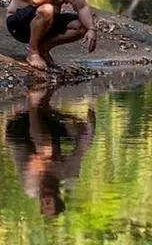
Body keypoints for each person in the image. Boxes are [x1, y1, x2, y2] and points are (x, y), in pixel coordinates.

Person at [5, 87, 96, 217]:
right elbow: (82, 146)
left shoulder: (31, 187)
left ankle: (34, 103)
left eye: (44, 204)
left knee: (45, 149)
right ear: (58, 196)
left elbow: (34, 161)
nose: (46, 200)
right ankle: (46, 101)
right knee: (77, 131)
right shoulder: (69, 174)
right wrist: (90, 122)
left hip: (19, 132)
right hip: (47, 131)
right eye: (50, 203)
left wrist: (49, 163)